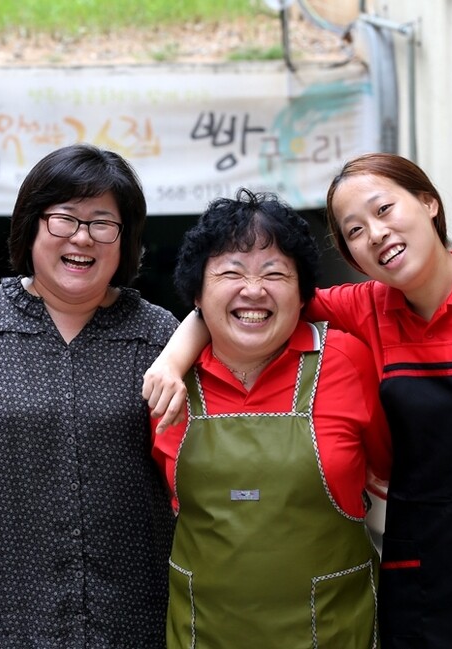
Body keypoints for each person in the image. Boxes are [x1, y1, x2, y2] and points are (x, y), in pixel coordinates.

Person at [143, 153, 452, 647]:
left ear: (429, 203)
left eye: (384, 209)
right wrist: (173, 361)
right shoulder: (367, 306)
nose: (375, 233)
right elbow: (248, 303)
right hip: (415, 569)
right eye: (353, 231)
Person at [0, 143, 177, 648]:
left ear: (125, 240)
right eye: (64, 219)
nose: (82, 237)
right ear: (31, 226)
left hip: (131, 614)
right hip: (4, 615)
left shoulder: (156, 334)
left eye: (103, 222)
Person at [153, 188, 388, 648]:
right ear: (197, 294)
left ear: (303, 295)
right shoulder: (169, 384)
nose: (254, 290)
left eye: (275, 273)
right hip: (203, 634)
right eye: (230, 272)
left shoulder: (347, 360)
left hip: (336, 632)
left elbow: (387, 470)